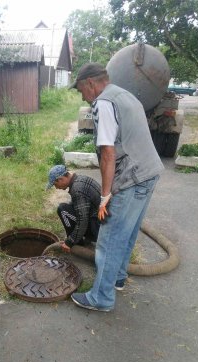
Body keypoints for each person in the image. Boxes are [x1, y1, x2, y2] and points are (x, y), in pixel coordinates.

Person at [69, 62, 164, 312]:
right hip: (149, 172)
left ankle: (101, 297)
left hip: (132, 177)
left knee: (109, 237)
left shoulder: (103, 103)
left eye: (81, 90)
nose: (82, 96)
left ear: (90, 83)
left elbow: (108, 154)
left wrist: (105, 195)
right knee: (128, 231)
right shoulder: (125, 94)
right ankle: (118, 278)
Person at [47, 165, 101, 253]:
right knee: (68, 207)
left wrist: (69, 242)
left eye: (55, 184)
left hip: (97, 231)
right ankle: (78, 238)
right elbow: (77, 207)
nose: (56, 187)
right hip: (100, 224)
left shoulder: (77, 189)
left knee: (62, 210)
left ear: (60, 179)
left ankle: (77, 244)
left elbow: (83, 220)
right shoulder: (80, 179)